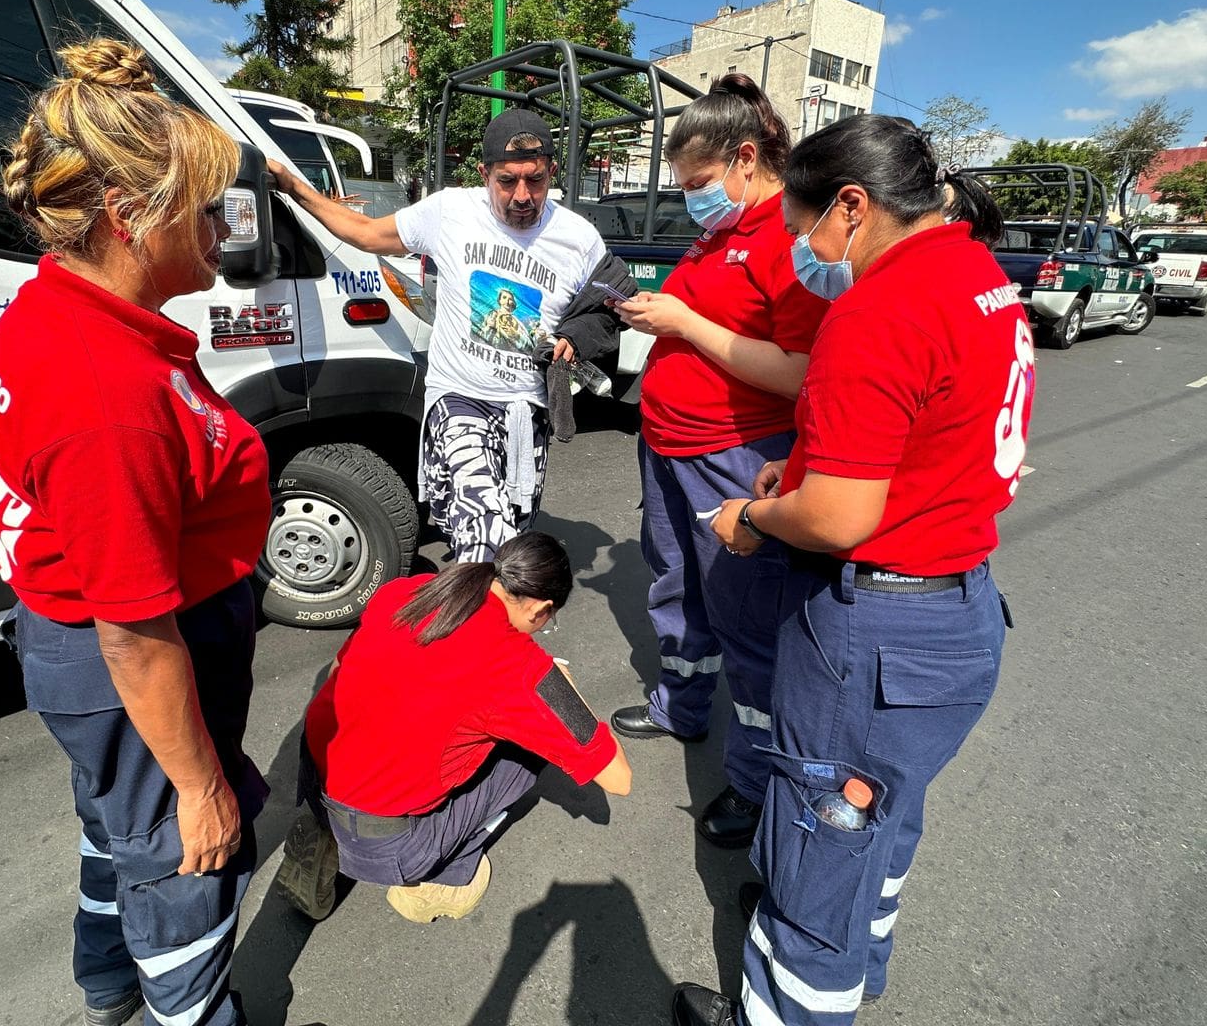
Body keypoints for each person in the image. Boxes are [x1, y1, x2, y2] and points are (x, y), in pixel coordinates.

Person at [670, 115, 1033, 1026]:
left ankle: (794, 1000)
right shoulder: (978, 275)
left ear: (852, 206)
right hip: (957, 610)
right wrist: (796, 471)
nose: (803, 252)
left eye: (804, 231)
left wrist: (753, 516)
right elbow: (924, 432)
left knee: (818, 846)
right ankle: (861, 956)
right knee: (883, 821)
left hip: (878, 628)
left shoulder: (878, 308)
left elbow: (837, 517)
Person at [0, 39, 271, 1026]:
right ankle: (188, 1007)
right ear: (127, 217)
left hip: (87, 650)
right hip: (134, 656)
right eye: (204, 206)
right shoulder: (105, 393)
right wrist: (199, 785)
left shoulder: (68, 315)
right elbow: (135, 630)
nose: (222, 229)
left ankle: (107, 987)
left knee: (116, 835)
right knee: (186, 865)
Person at [605, 74, 828, 849]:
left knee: (747, 616)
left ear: (744, 159)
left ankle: (756, 780)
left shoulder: (791, 242)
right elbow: (703, 321)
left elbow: (801, 371)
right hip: (669, 443)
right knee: (677, 586)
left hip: (734, 457)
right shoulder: (718, 233)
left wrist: (684, 322)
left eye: (697, 183)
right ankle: (683, 706)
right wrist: (654, 316)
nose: (690, 197)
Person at [268, 110, 616, 562]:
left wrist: (578, 334)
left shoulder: (579, 238)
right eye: (507, 181)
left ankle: (479, 615)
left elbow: (607, 306)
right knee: (485, 535)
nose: (523, 196)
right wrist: (295, 187)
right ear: (484, 173)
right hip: (460, 397)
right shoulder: (450, 211)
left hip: (527, 408)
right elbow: (367, 234)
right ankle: (472, 621)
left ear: (551, 171)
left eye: (536, 180)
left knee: (513, 534)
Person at [274, 532, 632, 923]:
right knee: (528, 752)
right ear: (541, 608)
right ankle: (436, 881)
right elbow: (618, 779)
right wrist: (563, 693)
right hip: (387, 841)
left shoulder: (416, 590)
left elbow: (338, 670)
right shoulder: (519, 667)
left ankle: (325, 835)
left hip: (317, 774)